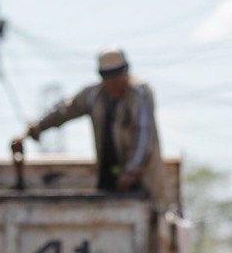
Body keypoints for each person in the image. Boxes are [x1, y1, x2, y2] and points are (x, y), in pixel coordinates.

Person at [11, 48, 164, 199]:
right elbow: (65, 111)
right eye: (109, 77)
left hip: (141, 181)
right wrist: (35, 128)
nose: (115, 82)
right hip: (110, 175)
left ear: (126, 72)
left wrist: (131, 172)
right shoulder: (95, 96)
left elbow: (143, 136)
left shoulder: (139, 93)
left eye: (118, 75)